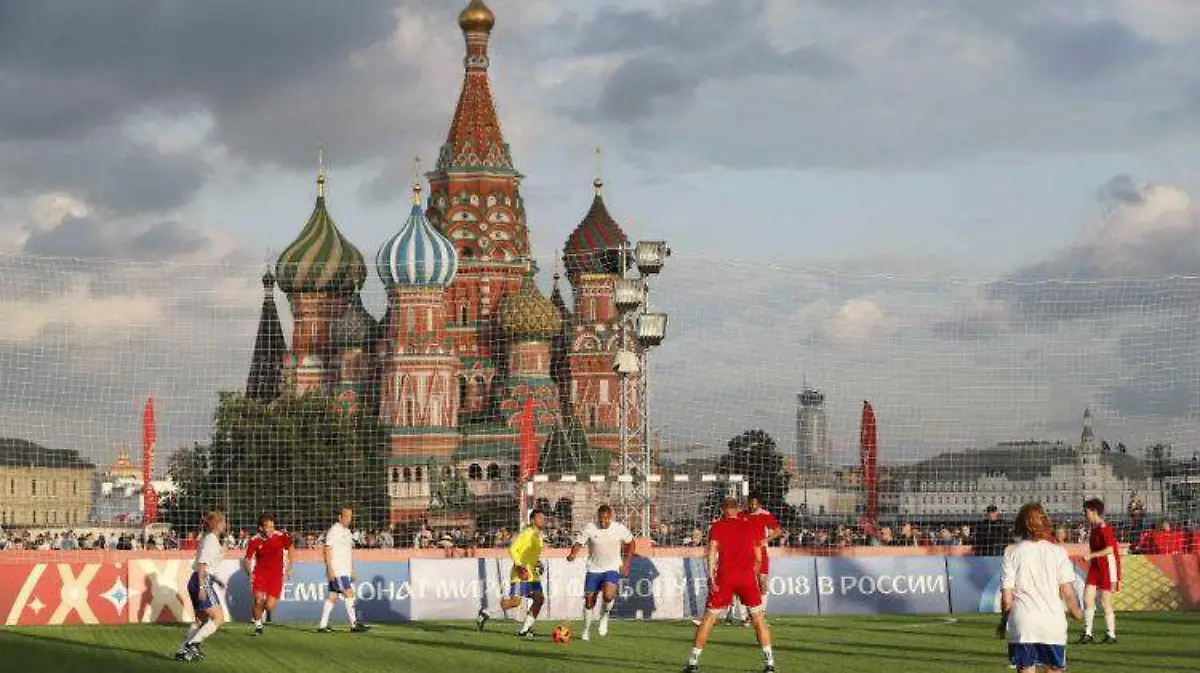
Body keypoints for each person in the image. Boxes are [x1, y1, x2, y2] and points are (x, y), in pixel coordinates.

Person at [686, 498, 774, 673]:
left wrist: (711, 576)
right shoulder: (750, 526)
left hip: (725, 578)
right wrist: (752, 573)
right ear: (737, 509)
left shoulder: (717, 527)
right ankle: (769, 663)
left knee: (709, 619)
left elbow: (711, 552)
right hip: (747, 578)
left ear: (722, 510)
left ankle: (693, 663)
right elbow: (758, 558)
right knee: (758, 619)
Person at [1000, 503, 1083, 673]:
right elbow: (1067, 592)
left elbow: (1006, 596)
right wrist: (1076, 613)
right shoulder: (1058, 552)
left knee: (1025, 669)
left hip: (1023, 621)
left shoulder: (1011, 552)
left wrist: (1004, 620)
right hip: (1052, 623)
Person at [567, 504, 634, 640]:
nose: (603, 521)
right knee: (589, 601)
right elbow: (579, 543)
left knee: (608, 595)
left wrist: (626, 563)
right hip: (594, 569)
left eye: (606, 518)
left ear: (610, 517)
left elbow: (631, 542)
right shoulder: (590, 528)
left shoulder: (619, 528)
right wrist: (573, 554)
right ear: (597, 517)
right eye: (601, 519)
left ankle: (604, 616)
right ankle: (586, 629)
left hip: (612, 568)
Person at [477, 509, 547, 639]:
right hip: (521, 573)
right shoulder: (527, 533)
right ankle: (486, 612)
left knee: (539, 599)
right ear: (532, 520)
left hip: (533, 574)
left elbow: (531, 554)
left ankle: (525, 630)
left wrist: (538, 563)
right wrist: (520, 565)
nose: (543, 519)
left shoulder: (539, 536)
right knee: (515, 602)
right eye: (540, 517)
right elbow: (513, 549)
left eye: (544, 517)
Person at [174, 510, 228, 662]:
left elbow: (206, 564)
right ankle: (193, 644)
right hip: (201, 580)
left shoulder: (208, 538)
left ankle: (181, 650)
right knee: (218, 618)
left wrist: (215, 579)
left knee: (200, 619)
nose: (225, 524)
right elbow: (202, 564)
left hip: (199, 579)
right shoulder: (211, 539)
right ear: (217, 525)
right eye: (223, 522)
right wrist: (203, 587)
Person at [318, 506, 369, 633]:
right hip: (337, 570)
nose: (349, 519)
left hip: (345, 570)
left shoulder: (347, 532)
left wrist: (352, 570)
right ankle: (354, 624)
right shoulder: (334, 531)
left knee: (333, 596)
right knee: (349, 593)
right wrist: (329, 569)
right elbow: (327, 550)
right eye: (347, 516)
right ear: (340, 517)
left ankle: (322, 625)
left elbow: (348, 552)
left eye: (351, 516)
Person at [242, 512, 292, 636]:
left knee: (269, 606)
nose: (270, 529)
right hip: (260, 574)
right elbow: (247, 559)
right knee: (259, 600)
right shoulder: (254, 540)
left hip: (276, 576)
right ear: (261, 527)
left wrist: (290, 566)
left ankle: (257, 611)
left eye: (272, 526)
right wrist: (250, 573)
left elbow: (290, 547)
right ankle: (258, 625)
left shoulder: (281, 536)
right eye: (268, 527)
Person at [1078, 498, 1120, 644]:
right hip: (1096, 567)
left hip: (1107, 567)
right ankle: (1088, 633)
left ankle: (1111, 634)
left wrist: (1091, 555)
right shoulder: (1094, 528)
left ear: (1094, 511)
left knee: (1105, 602)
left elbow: (1110, 549)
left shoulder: (1104, 528)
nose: (1085, 514)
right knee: (1087, 598)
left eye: (1086, 511)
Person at [739, 494, 782, 625]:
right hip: (745, 553)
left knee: (762, 582)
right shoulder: (742, 515)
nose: (752, 506)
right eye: (750, 503)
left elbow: (778, 531)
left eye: (755, 504)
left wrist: (765, 540)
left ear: (760, 504)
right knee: (746, 583)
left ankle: (761, 613)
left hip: (760, 552)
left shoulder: (765, 515)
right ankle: (746, 616)